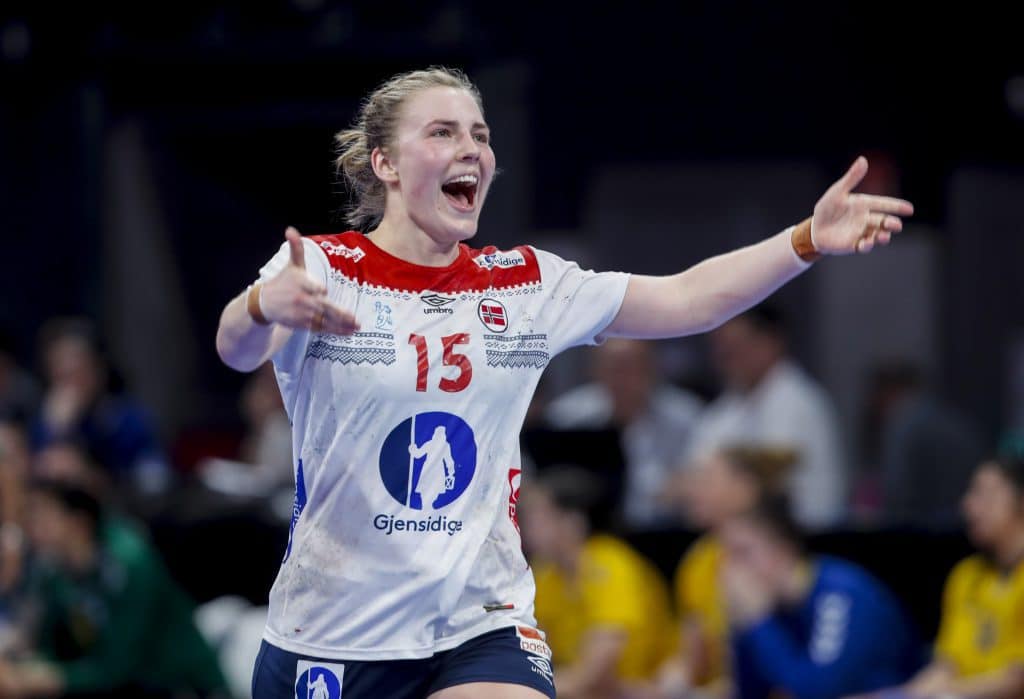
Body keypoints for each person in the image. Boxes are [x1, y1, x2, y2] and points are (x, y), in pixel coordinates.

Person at [213, 66, 912, 699]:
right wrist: (261, 305)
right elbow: (236, 348)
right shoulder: (322, 268)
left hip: (479, 622)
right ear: (385, 163)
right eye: (443, 132)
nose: (471, 149)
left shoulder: (524, 284)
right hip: (334, 631)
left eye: (480, 135)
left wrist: (804, 240)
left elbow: (690, 298)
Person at [0, 479, 228, 699]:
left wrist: (52, 679)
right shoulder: (53, 570)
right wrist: (25, 669)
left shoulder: (128, 564)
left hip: (176, 683)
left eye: (41, 516)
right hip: (117, 684)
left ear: (78, 522)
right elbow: (50, 644)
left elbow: (119, 667)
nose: (30, 526)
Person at [722, 498, 921, 699]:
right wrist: (743, 628)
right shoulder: (770, 604)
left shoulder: (840, 593)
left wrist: (759, 621)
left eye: (743, 553)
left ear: (783, 550)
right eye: (727, 556)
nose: (732, 570)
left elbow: (817, 691)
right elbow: (750, 692)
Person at [871, 455, 1024, 699]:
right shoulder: (966, 575)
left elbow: (1016, 682)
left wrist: (940, 693)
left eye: (985, 495)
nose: (968, 506)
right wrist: (896, 696)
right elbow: (947, 666)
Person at [685, 305, 846, 529]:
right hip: (739, 531)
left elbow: (766, 483)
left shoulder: (800, 402)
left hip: (804, 534)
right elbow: (694, 473)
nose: (726, 358)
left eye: (735, 347)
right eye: (720, 349)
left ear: (771, 342)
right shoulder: (723, 409)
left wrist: (718, 485)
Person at [520, 467, 676, 699]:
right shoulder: (545, 573)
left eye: (536, 517)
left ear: (572, 522)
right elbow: (532, 648)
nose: (524, 528)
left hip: (643, 689)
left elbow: (597, 667)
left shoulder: (610, 564)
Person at [657, 444, 796, 698]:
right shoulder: (698, 561)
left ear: (745, 488)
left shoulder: (771, 559)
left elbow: (789, 672)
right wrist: (673, 680)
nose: (692, 490)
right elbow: (692, 662)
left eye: (706, 480)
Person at [543, 338, 703, 528]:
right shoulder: (566, 418)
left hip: (667, 530)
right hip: (590, 532)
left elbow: (700, 481)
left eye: (631, 366)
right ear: (595, 371)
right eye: (612, 367)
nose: (622, 378)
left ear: (652, 367)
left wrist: (685, 485)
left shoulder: (687, 417)